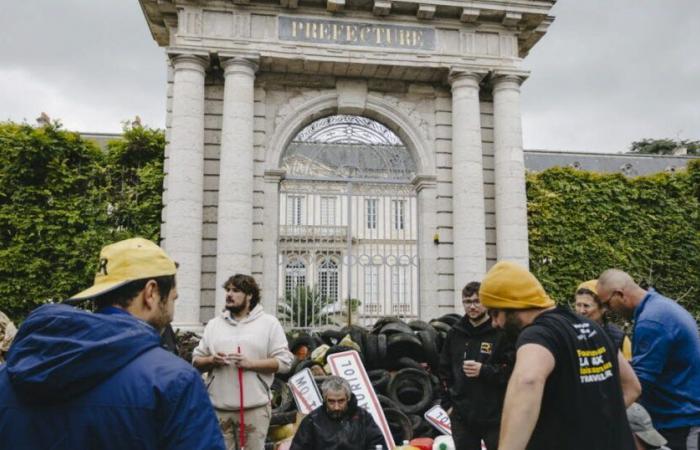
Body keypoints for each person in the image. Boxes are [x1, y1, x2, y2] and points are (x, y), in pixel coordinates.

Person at [0, 237, 225, 450]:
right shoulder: (175, 380)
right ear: (151, 292)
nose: (173, 311)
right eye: (173, 298)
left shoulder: (10, 374)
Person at [479, 261, 640, 450]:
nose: (494, 323)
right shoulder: (592, 327)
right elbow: (633, 387)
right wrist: (595, 424)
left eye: (494, 313)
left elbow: (528, 380)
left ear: (512, 305)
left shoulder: (538, 334)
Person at [597, 269, 700, 450]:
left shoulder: (652, 321)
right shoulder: (659, 306)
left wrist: (601, 413)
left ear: (620, 295)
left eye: (607, 304)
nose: (607, 311)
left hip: (680, 422)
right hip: (679, 415)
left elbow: (639, 384)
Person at [193, 273, 293, 450]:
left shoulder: (269, 323)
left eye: (236, 290)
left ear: (250, 295)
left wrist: (250, 364)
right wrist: (212, 360)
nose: (229, 294)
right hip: (218, 410)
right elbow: (196, 361)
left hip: (254, 410)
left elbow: (285, 362)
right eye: (228, 290)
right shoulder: (214, 325)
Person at [439, 281, 514, 450]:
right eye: (467, 302)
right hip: (462, 417)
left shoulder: (500, 333)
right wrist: (448, 407)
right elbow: (443, 372)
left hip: (495, 417)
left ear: (486, 303)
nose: (472, 306)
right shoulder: (454, 333)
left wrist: (484, 370)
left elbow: (511, 371)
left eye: (476, 301)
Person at [289, 376, 385, 450]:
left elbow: (378, 444)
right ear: (325, 399)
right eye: (331, 401)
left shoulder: (363, 417)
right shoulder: (312, 420)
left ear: (348, 398)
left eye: (341, 401)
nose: (336, 407)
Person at [574, 279, 632, 359]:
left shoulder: (618, 338)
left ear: (604, 308)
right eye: (578, 305)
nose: (581, 311)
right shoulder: (568, 333)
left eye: (586, 306)